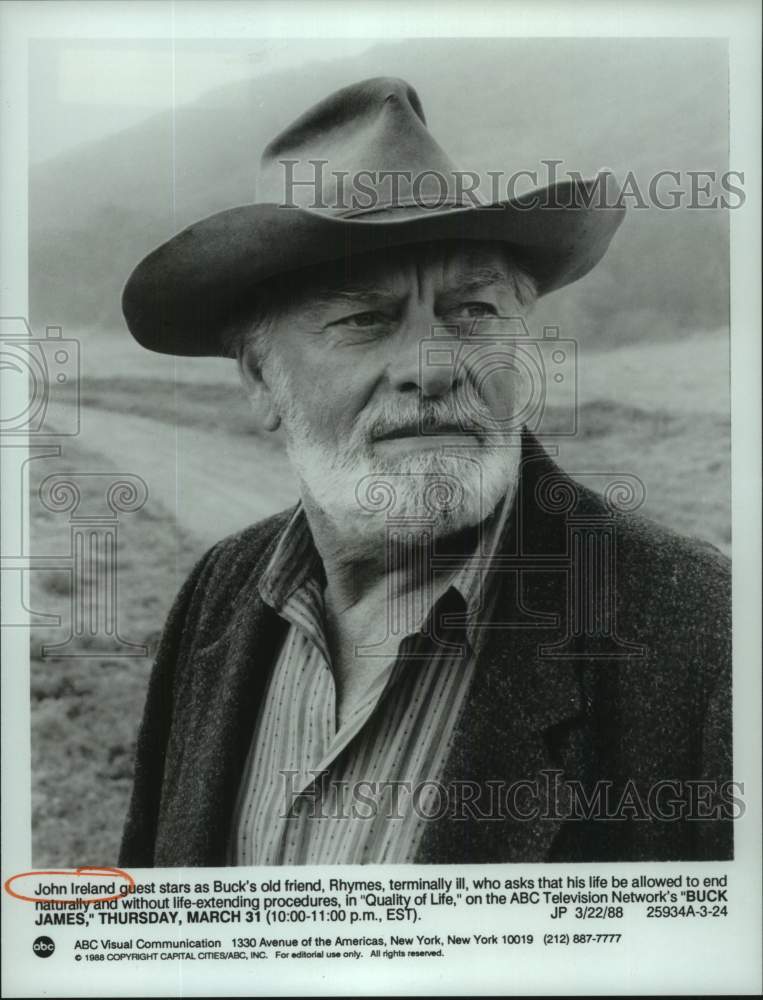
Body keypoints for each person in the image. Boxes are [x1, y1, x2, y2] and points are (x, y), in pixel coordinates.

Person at [119, 77, 732, 867]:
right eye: (362, 320)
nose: (431, 367)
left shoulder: (702, 638)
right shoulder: (219, 595)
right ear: (260, 382)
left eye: (471, 312)